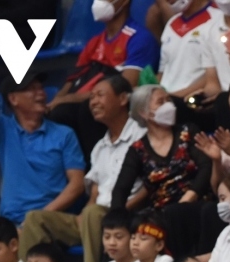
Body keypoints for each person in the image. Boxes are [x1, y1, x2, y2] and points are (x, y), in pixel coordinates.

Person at [21, 75, 140, 262]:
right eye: (91, 96)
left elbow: (151, 183)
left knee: (94, 214)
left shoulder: (140, 135)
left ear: (122, 99)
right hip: (96, 215)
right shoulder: (100, 147)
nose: (93, 102)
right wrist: (83, 216)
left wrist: (120, 211)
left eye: (100, 95)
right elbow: (94, 193)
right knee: (35, 218)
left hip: (127, 213)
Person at [0, 73, 87, 245]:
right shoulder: (3, 130)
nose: (41, 94)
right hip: (8, 222)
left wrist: (40, 216)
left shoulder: (64, 134)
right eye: (31, 89)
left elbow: (77, 184)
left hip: (48, 220)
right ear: (13, 99)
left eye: (41, 88)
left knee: (23, 236)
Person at [110, 84, 215, 257]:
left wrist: (191, 194)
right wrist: (116, 221)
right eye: (161, 102)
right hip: (163, 213)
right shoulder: (137, 149)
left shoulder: (188, 131)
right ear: (145, 113)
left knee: (183, 213)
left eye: (168, 99)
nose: (169, 105)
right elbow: (121, 189)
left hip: (198, 201)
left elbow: (206, 166)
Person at [46, 0, 158, 158]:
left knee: (90, 108)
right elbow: (71, 81)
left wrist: (68, 99)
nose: (98, 2)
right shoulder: (94, 43)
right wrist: (57, 100)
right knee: (58, 113)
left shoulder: (138, 38)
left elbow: (125, 87)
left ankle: (98, 165)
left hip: (121, 102)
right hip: (86, 100)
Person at [156, 0, 220, 109]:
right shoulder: (171, 23)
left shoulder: (218, 19)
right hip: (166, 103)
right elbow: (163, 72)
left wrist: (173, 98)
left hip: (191, 103)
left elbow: (217, 73)